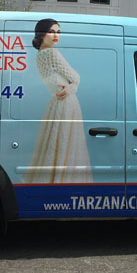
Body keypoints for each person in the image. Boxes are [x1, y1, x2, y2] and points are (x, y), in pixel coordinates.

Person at [23, 19, 93, 183]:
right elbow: (75, 77)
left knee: (53, 144)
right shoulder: (52, 53)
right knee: (68, 145)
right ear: (41, 34)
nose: (56, 35)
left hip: (55, 103)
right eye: (52, 31)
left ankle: (53, 181)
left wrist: (70, 87)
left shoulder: (39, 55)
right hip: (66, 104)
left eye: (58, 32)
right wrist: (72, 87)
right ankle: (64, 181)